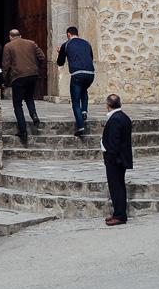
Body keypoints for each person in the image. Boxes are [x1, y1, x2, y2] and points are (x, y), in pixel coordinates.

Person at [2, 29, 46, 143]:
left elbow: (6, 65)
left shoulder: (8, 46)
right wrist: (37, 68)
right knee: (29, 97)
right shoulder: (31, 43)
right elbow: (42, 56)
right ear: (20, 36)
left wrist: (4, 79)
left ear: (10, 37)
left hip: (18, 76)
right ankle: (34, 115)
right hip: (32, 74)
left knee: (17, 104)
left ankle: (23, 131)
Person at [56, 26, 95, 136]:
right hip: (90, 73)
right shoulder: (87, 43)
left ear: (68, 34)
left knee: (75, 101)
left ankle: (81, 127)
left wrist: (60, 52)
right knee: (84, 90)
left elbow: (60, 62)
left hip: (77, 74)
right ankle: (84, 112)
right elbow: (90, 58)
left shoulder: (66, 44)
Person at [101, 93, 133, 226]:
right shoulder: (124, 117)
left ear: (108, 105)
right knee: (119, 186)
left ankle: (120, 216)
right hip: (122, 158)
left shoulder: (115, 119)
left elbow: (114, 143)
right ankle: (118, 213)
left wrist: (110, 158)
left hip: (116, 160)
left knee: (116, 187)